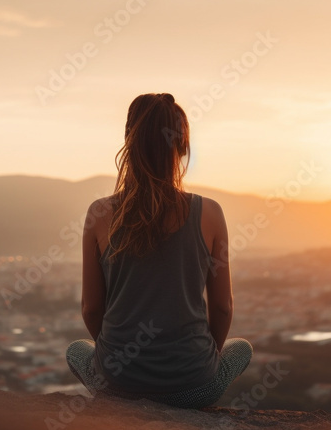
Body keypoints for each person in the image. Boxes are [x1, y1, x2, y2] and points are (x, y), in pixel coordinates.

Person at [65, 92, 253, 408]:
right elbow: (222, 307)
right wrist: (203, 363)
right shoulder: (210, 213)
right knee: (242, 348)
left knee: (75, 350)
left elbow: (91, 309)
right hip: (195, 388)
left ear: (128, 141)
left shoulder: (98, 213)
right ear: (181, 147)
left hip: (118, 386)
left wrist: (120, 362)